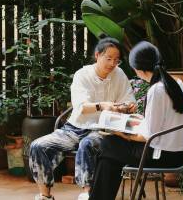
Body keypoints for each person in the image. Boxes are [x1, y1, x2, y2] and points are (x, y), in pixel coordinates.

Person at [29, 37, 137, 200]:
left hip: (102, 129)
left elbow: (129, 99)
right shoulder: (82, 75)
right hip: (74, 128)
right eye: (108, 58)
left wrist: (128, 106)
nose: (112, 63)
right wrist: (102, 105)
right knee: (38, 146)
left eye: (117, 60)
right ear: (97, 55)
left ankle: (87, 194)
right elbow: (80, 107)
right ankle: (45, 195)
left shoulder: (119, 74)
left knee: (87, 145)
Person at [88, 41, 183, 200]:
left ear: (138, 68)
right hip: (176, 153)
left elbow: (147, 136)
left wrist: (120, 133)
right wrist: (138, 121)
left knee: (108, 144)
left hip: (161, 155)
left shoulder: (157, 90)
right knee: (110, 156)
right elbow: (163, 121)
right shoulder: (177, 84)